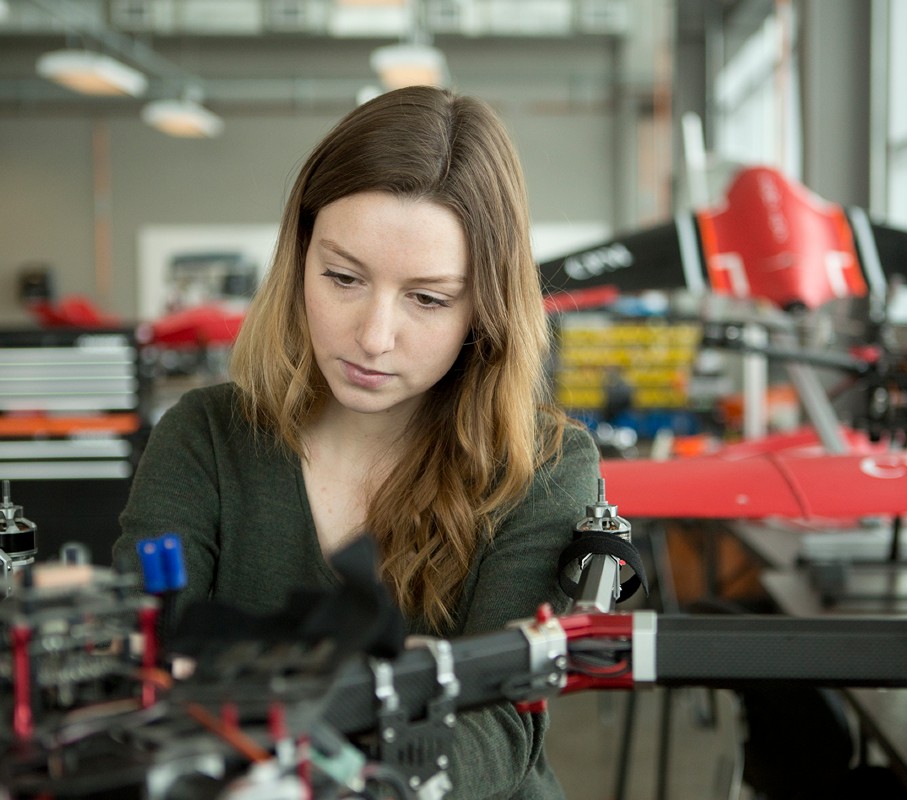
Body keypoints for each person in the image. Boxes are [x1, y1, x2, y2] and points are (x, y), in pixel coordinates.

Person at [114, 85, 600, 798]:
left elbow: (500, 723)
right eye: (343, 278)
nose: (373, 337)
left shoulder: (543, 467)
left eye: (428, 299)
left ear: (486, 306)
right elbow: (149, 669)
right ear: (299, 257)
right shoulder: (203, 440)